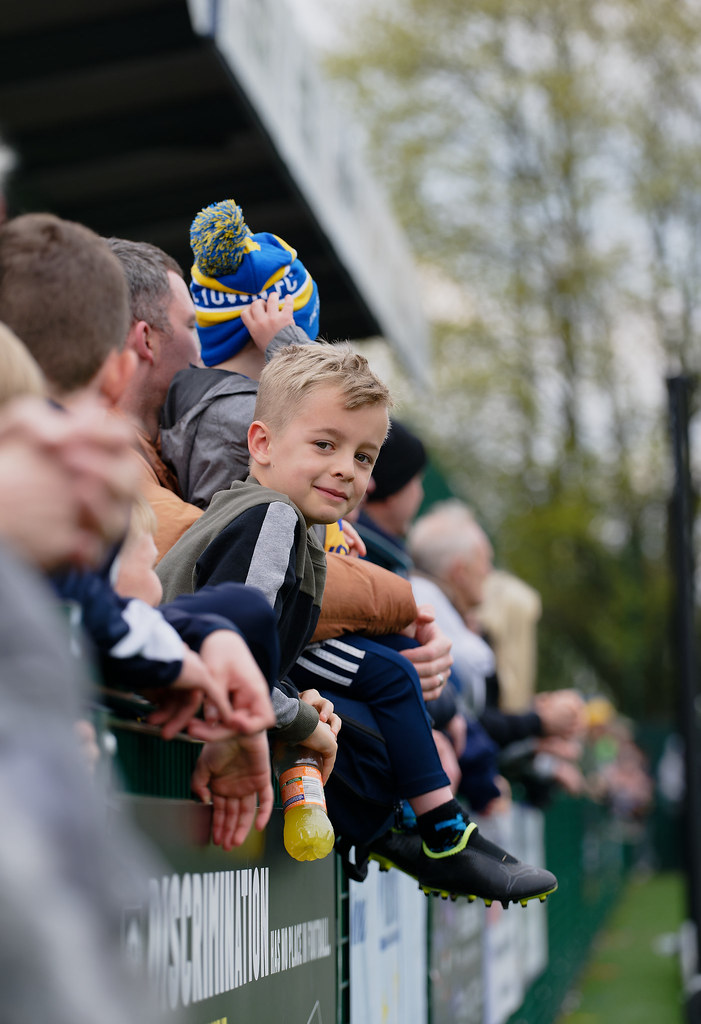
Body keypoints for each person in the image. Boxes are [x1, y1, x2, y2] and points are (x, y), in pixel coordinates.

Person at [156, 341, 558, 906]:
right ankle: (434, 834)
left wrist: (294, 702)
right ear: (262, 443)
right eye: (325, 445)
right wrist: (298, 717)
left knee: (379, 686)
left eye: (365, 457)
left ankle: (436, 831)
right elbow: (236, 659)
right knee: (379, 693)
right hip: (180, 707)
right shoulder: (272, 517)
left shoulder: (288, 519)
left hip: (210, 697)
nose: (347, 469)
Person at [106, 237, 204, 556]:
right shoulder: (103, 456)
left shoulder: (161, 448)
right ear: (147, 340)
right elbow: (226, 551)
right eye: (192, 326)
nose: (203, 350)